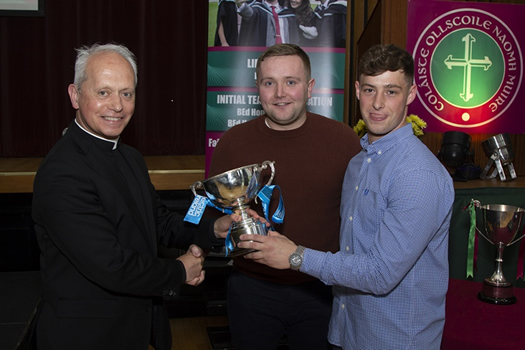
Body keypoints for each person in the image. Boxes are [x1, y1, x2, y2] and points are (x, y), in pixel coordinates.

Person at [31, 43, 256, 350]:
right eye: (103, 92)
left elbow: (158, 221)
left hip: (135, 327)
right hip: (87, 337)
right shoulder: (61, 174)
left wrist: (214, 229)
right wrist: (179, 270)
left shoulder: (130, 157)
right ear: (74, 95)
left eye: (127, 93)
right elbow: (110, 265)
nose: (118, 105)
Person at [238, 44, 455, 349]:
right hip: (349, 329)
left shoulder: (417, 175)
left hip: (395, 338)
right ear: (356, 90)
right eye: (370, 90)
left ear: (410, 95)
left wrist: (295, 255)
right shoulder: (359, 161)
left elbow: (381, 273)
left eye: (391, 91)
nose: (377, 103)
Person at [208, 43, 361, 349]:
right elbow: (211, 211)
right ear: (257, 89)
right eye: (269, 83)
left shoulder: (343, 140)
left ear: (310, 87)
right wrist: (222, 225)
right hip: (252, 289)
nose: (280, 93)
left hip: (322, 289)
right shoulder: (232, 142)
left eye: (291, 82)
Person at [236, 0, 300, 47]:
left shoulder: (288, 13)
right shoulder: (257, 9)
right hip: (264, 55)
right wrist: (240, 5)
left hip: (285, 54)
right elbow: (248, 14)